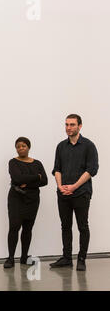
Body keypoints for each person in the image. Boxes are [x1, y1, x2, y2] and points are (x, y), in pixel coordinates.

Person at [50, 114, 99, 271]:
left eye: (72, 124)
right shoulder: (61, 146)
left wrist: (74, 186)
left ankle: (82, 258)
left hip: (81, 193)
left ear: (80, 126)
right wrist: (60, 186)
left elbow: (92, 170)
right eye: (66, 124)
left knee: (82, 226)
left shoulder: (88, 146)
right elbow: (57, 169)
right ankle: (66, 258)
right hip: (63, 194)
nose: (68, 128)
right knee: (65, 226)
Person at [4, 137, 48, 268]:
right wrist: (36, 177)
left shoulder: (37, 163)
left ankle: (24, 257)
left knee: (28, 228)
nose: (21, 148)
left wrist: (27, 182)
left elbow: (45, 181)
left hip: (32, 200)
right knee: (14, 227)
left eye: (23, 146)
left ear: (29, 147)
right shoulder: (13, 162)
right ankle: (10, 258)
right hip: (16, 198)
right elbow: (17, 178)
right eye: (18, 146)